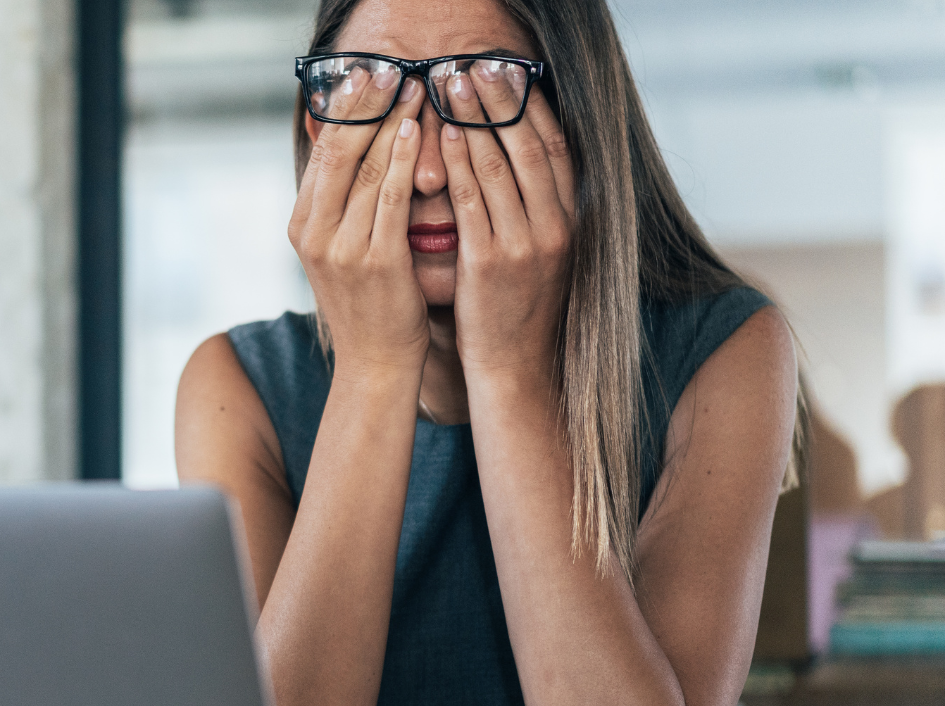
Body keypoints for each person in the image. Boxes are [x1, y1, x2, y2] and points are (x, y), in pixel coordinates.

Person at [173, 0, 805, 703]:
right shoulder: (238, 388)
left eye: (485, 89)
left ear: (574, 122)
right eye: (374, 93)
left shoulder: (725, 353)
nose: (428, 174)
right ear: (319, 125)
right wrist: (374, 369)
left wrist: (507, 372)